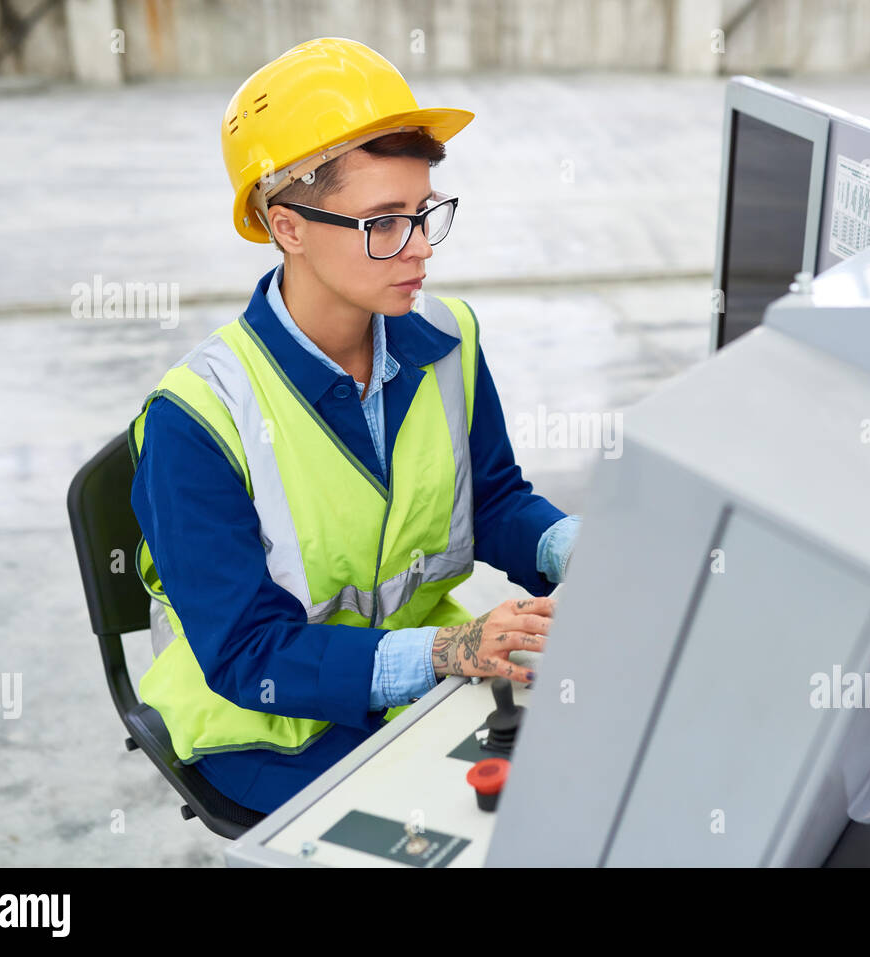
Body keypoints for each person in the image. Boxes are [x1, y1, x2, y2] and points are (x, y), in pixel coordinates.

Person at [128, 37, 579, 815]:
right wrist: (447, 651)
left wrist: (582, 552)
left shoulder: (446, 337)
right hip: (261, 719)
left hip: (414, 672)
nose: (420, 249)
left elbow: (495, 500)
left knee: (574, 775)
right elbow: (246, 654)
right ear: (288, 227)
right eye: (383, 222)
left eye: (424, 213)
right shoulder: (197, 419)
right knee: (467, 824)